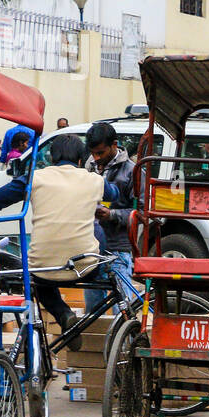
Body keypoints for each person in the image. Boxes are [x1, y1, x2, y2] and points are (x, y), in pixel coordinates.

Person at [0, 134, 123, 345]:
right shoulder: (93, 180)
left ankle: (62, 313)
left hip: (44, 268)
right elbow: (115, 194)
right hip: (85, 267)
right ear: (82, 160)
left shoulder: (34, 178)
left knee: (41, 283)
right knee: (97, 233)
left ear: (52, 158)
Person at [84, 122, 137, 314]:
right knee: (92, 313)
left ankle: (124, 343)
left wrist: (112, 214)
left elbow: (141, 212)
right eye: (93, 153)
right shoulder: (87, 167)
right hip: (91, 249)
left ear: (115, 145)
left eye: (100, 153)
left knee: (122, 310)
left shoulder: (133, 171)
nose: (96, 158)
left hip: (118, 249)